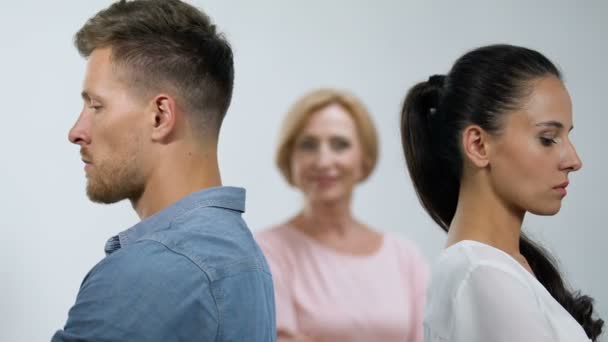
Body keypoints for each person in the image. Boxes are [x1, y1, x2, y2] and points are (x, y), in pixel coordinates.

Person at [52, 1, 275, 341]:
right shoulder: (243, 259)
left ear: (160, 116)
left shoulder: (149, 272)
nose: (76, 131)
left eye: (96, 106)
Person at [400, 44, 604, 341]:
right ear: (478, 145)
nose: (574, 160)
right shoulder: (481, 275)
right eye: (548, 139)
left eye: (567, 136)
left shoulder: (498, 269)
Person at [256, 88, 428, 342]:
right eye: (308, 145)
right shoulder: (267, 252)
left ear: (364, 159)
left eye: (340, 144)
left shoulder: (405, 257)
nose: (324, 161)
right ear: (289, 158)